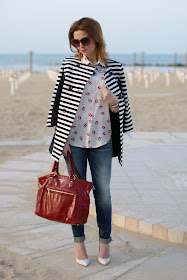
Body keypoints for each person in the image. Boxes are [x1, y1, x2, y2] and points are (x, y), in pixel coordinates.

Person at [46, 17, 133, 267]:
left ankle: (105, 242)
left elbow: (123, 108)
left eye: (85, 40)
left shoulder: (114, 68)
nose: (81, 46)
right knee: (76, 195)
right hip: (72, 141)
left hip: (102, 140)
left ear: (96, 38)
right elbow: (58, 104)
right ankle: (79, 243)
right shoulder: (69, 65)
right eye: (76, 42)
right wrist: (59, 140)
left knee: (102, 193)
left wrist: (112, 98)